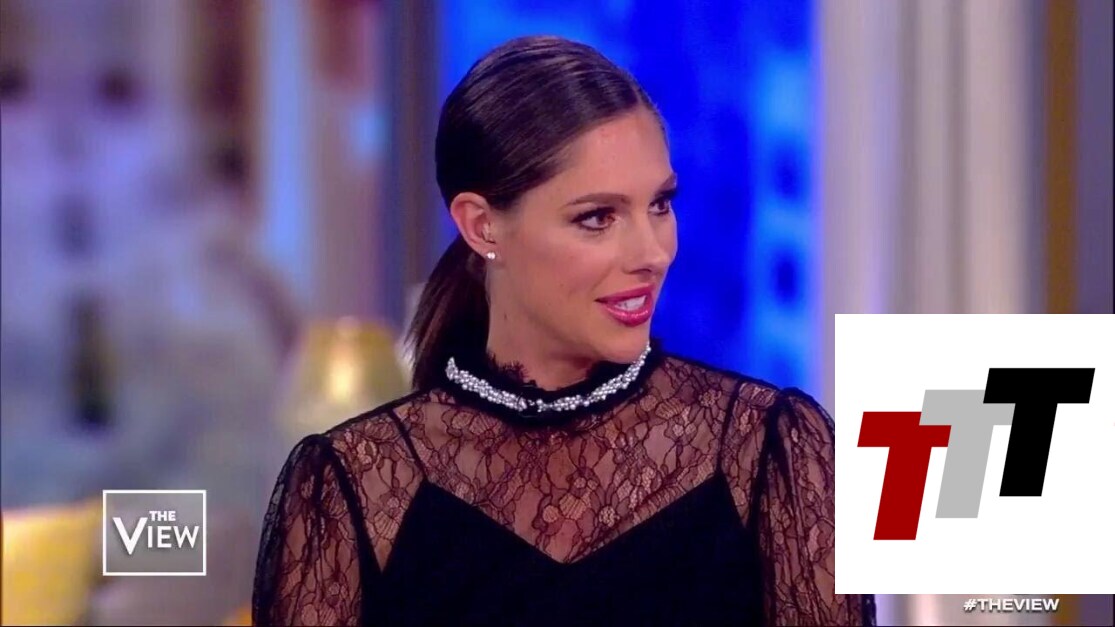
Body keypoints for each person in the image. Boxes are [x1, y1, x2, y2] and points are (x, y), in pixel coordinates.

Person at [252, 35, 876, 626]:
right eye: (598, 217)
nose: (652, 253)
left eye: (660, 204)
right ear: (482, 226)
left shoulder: (771, 453)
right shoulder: (353, 487)